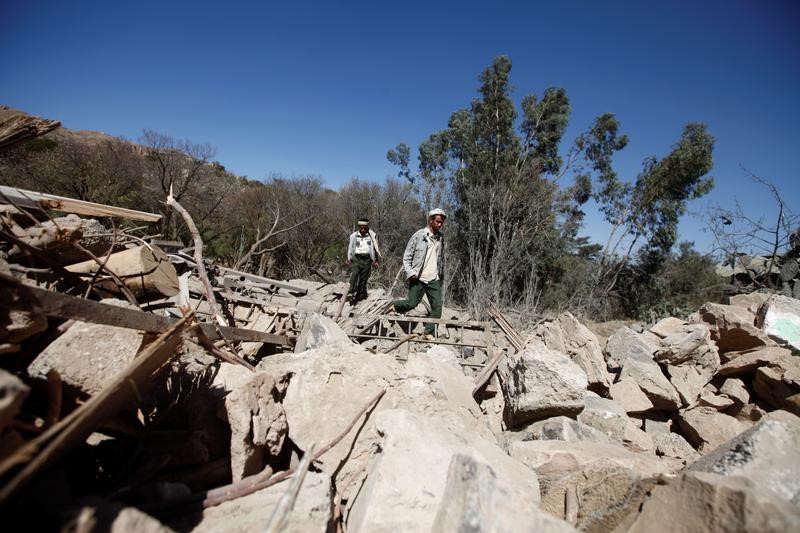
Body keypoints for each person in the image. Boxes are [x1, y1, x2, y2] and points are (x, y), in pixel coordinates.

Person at [391, 208, 446, 338]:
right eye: (438, 221)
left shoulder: (441, 238)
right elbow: (407, 256)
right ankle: (393, 306)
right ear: (431, 220)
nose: (440, 224)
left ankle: (428, 332)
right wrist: (410, 272)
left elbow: (439, 257)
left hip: (433, 278)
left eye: (442, 222)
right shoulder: (419, 236)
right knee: (411, 303)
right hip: (418, 277)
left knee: (437, 307)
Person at [346, 217, 381, 303]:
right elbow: (350, 247)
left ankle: (359, 296)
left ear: (367, 228)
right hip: (357, 258)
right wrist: (349, 258)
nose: (363, 230)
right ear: (359, 227)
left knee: (363, 279)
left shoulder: (371, 236)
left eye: (364, 228)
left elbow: (375, 248)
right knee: (354, 274)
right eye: (361, 228)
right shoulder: (354, 236)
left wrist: (375, 261)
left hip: (367, 259)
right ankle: (351, 292)